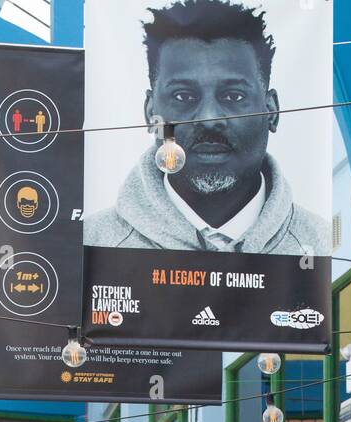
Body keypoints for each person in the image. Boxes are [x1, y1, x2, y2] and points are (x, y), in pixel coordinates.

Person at [85, 0, 330, 256]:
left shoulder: (318, 246)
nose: (209, 119)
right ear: (150, 111)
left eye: (233, 96)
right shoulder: (93, 242)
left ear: (271, 111)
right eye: (182, 96)